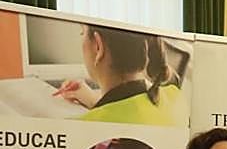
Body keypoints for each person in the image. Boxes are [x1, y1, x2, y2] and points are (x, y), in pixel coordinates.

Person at [55, 25, 184, 125]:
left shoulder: (87, 127)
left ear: (98, 47)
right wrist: (93, 100)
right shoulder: (176, 98)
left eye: (82, 33)